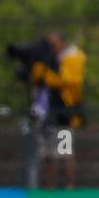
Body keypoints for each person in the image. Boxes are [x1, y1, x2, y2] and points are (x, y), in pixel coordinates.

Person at [31, 31, 86, 189]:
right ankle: (50, 188)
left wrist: (48, 77)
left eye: (53, 44)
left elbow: (69, 80)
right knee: (47, 155)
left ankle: (69, 186)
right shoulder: (44, 60)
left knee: (65, 152)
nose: (50, 48)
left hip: (63, 113)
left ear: (61, 43)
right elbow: (35, 78)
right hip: (44, 114)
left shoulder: (72, 57)